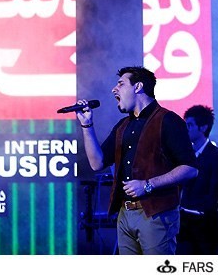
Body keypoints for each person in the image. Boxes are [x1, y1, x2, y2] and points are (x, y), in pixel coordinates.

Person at [75, 66, 198, 254]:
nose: (114, 89)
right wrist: (87, 125)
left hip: (156, 213)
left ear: (138, 86)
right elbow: (97, 163)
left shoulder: (168, 120)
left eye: (121, 84)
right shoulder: (123, 125)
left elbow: (190, 168)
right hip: (125, 214)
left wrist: (148, 185)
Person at [176, 104, 218, 255]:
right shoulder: (185, 155)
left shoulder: (217, 156)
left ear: (203, 127)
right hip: (184, 228)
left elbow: (215, 195)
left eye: (190, 125)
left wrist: (190, 210)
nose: (186, 129)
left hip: (206, 229)